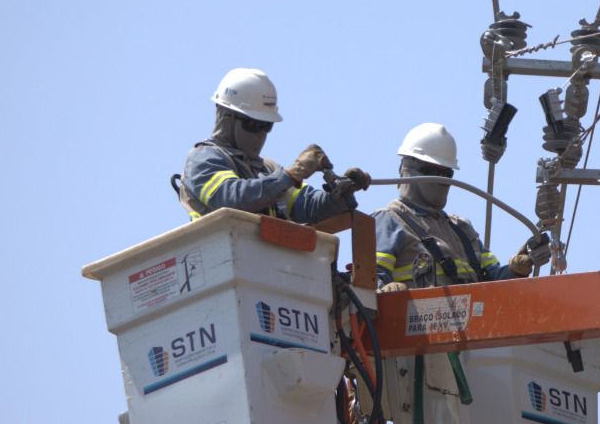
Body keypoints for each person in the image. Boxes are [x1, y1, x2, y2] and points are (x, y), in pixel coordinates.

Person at [373, 122, 552, 292]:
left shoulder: (461, 229)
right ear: (405, 169)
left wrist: (516, 269)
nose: (441, 179)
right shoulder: (388, 221)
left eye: (446, 173)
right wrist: (385, 292)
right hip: (414, 321)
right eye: (431, 170)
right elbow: (371, 279)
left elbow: (493, 282)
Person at [179, 67, 368, 224]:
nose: (261, 134)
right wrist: (290, 175)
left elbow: (308, 206)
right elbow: (231, 200)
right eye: (254, 125)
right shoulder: (204, 158)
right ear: (227, 119)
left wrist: (339, 195)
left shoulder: (267, 170)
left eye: (267, 126)